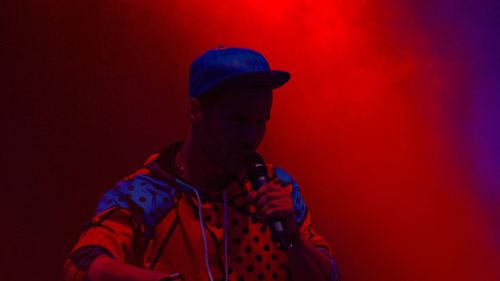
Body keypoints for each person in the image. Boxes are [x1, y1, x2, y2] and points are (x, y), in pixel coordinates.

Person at [64, 46, 340, 281]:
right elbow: (82, 262)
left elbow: (329, 275)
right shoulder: (147, 194)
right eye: (237, 121)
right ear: (195, 111)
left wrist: (293, 238)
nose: (251, 137)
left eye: (261, 122)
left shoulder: (277, 188)